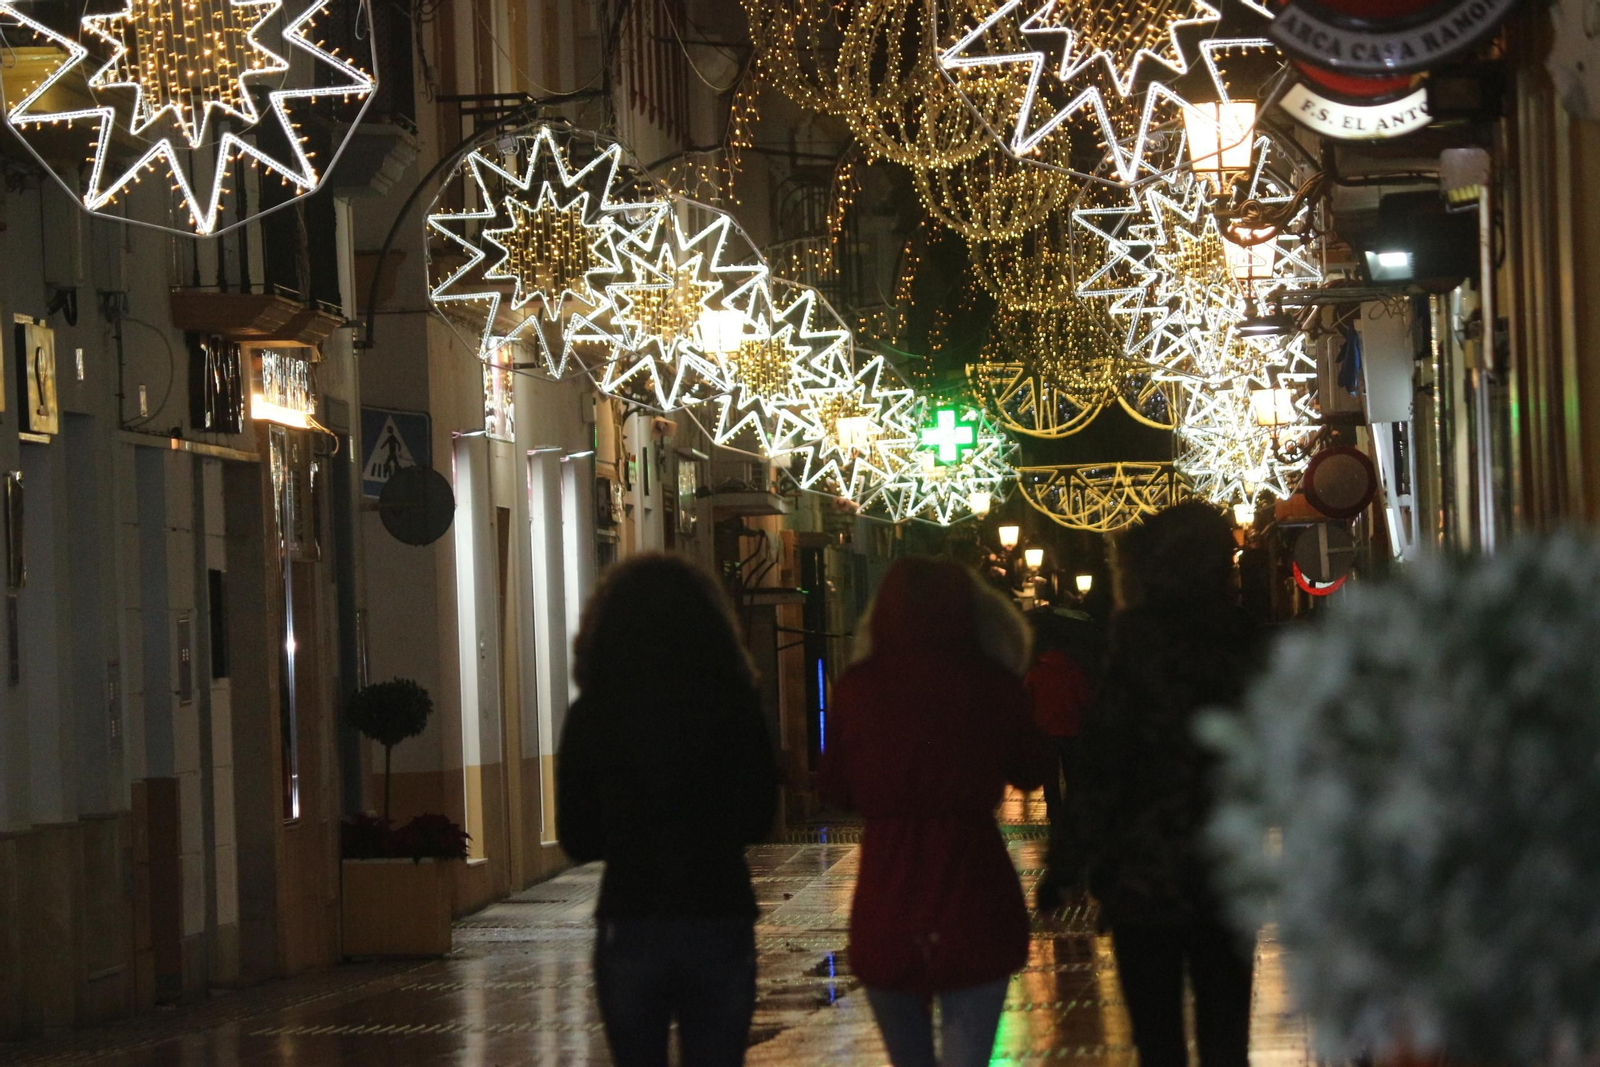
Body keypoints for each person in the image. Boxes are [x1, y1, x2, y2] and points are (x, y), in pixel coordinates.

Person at [823, 558, 1051, 1067]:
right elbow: (1032, 768)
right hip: (974, 889)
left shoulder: (858, 688)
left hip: (889, 893)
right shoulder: (993, 684)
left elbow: (836, 787)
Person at [557, 555, 778, 1067]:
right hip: (718, 908)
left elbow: (576, 835)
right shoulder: (735, 703)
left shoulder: (594, 713)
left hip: (633, 912)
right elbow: (759, 815)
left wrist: (629, 830)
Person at [1073, 502, 1262, 1067]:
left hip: (1145, 874)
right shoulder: (1245, 638)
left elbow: (1105, 756)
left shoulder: (1136, 640)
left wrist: (1076, 864)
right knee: (1226, 1036)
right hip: (1226, 868)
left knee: (1157, 1041)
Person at [1024, 606, 1102, 910]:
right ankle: (1071, 814)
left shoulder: (1036, 671)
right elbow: (1086, 701)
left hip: (1045, 733)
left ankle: (1055, 815)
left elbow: (1027, 700)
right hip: (1072, 731)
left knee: (1049, 779)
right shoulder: (1075, 670)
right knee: (1073, 776)